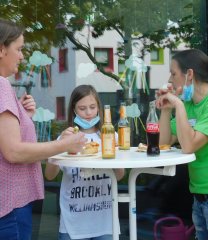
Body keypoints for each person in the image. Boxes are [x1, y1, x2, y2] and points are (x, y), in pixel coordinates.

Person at [0, 19, 87, 240]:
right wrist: (64, 145)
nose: (21, 56)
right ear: (1, 49)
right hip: (9, 207)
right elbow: (13, 152)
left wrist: (23, 118)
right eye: (18, 49)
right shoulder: (1, 85)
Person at [155, 49, 208, 240]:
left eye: (174, 73)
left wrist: (177, 105)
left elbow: (189, 146)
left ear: (190, 74)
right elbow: (164, 144)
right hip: (201, 197)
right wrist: (167, 111)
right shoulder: (189, 105)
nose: (170, 80)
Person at [45, 84, 125, 240]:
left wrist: (115, 154)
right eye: (82, 109)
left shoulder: (110, 135)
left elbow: (120, 176)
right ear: (73, 110)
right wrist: (60, 146)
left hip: (105, 223)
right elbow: (49, 175)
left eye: (92, 107)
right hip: (73, 224)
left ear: (99, 108)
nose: (88, 113)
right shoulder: (66, 138)